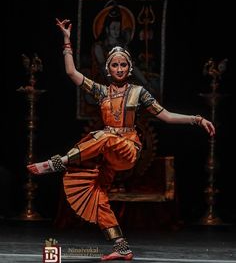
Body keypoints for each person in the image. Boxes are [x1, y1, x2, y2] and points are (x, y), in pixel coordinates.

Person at [27, 18, 215, 261]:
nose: (119, 69)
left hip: (128, 149)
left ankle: (59, 161)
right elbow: (72, 73)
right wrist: (66, 40)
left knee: (104, 136)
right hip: (108, 156)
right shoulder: (101, 91)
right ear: (108, 68)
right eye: (115, 65)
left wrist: (197, 119)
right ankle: (121, 245)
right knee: (96, 193)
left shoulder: (139, 92)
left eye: (123, 65)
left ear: (129, 67)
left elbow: (167, 116)